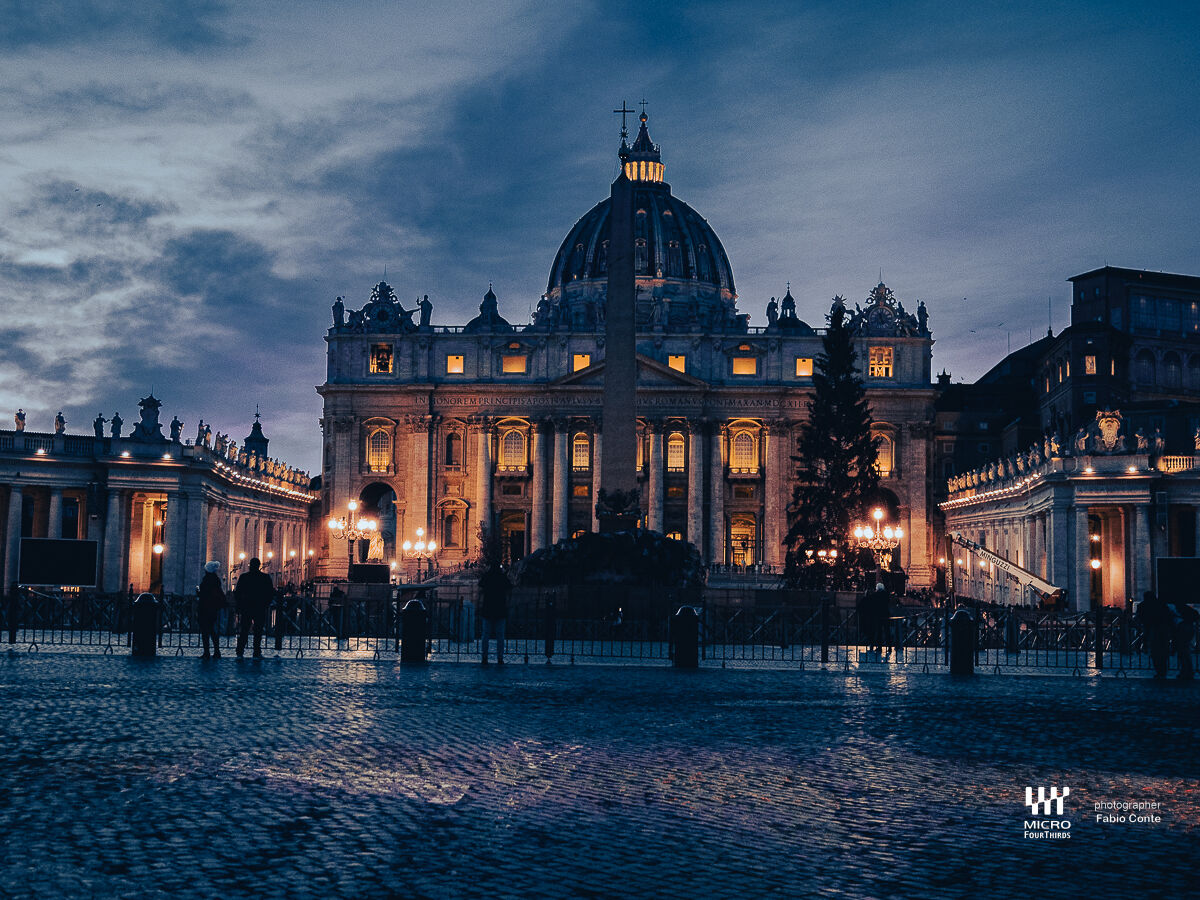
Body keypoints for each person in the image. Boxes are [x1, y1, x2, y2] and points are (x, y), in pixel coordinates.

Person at [234, 557, 273, 659]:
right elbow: (270, 593)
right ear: (259, 566)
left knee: (244, 630)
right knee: (258, 631)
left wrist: (240, 605)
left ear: (250, 565)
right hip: (259, 607)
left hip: (247, 607)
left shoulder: (244, 577)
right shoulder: (265, 577)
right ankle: (256, 652)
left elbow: (238, 593)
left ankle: (240, 651)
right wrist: (266, 604)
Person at [478, 563, 511, 665]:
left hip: (488, 608)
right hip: (500, 608)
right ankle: (500, 658)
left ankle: (484, 657)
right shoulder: (502, 577)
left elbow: (480, 589)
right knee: (500, 636)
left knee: (485, 635)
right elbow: (510, 588)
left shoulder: (487, 576)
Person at [1136, 591, 1172, 678]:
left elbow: (1140, 617)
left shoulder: (1143, 605)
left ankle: (1160, 671)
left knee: (1155, 651)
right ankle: (1162, 670)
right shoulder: (1161, 605)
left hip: (1152, 629)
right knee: (1162, 651)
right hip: (1163, 630)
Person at [197, 561, 226, 660]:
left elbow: (204, 594)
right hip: (213, 608)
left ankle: (207, 652)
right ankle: (216, 651)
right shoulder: (216, 580)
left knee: (205, 631)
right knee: (212, 630)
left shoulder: (207, 580)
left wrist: (198, 593)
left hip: (205, 607)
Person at [1167, 599, 1197, 680]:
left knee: (1182, 652)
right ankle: (1188, 671)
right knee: (1185, 651)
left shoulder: (1171, 607)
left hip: (1181, 629)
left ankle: (1186, 671)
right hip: (1187, 628)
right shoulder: (1183, 607)